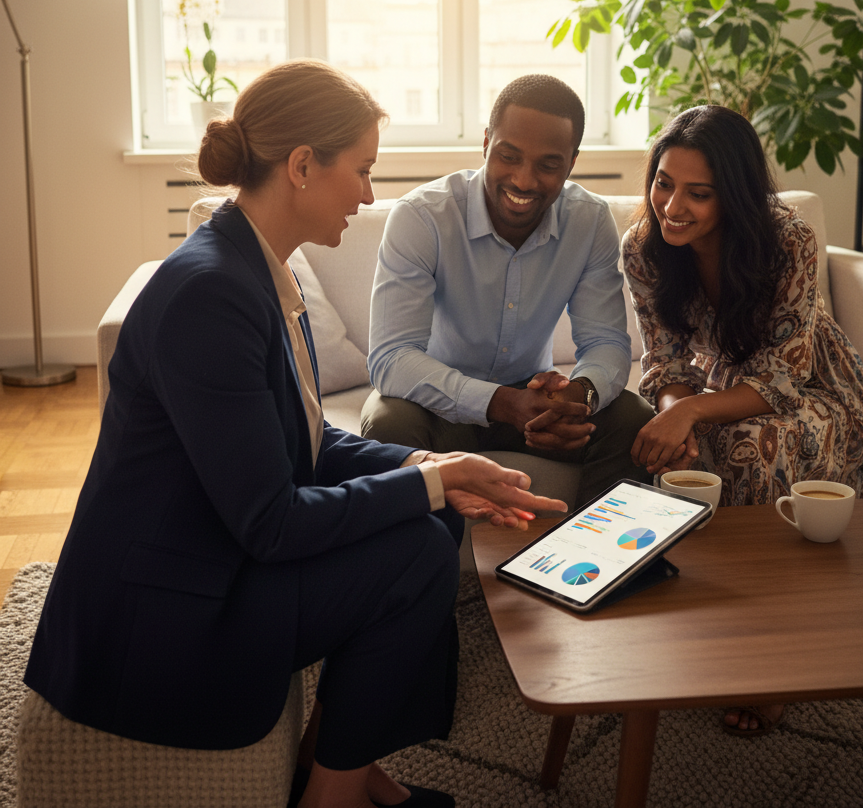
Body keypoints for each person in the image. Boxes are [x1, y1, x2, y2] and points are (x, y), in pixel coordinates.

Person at [24, 60, 566, 808]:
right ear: (303, 167)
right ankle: (333, 797)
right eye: (363, 170)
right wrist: (430, 481)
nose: (371, 195)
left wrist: (434, 466)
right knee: (412, 551)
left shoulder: (255, 271)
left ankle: (341, 758)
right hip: (162, 621)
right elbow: (271, 523)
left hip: (206, 558)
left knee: (434, 517)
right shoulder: (210, 295)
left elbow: (302, 440)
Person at [621, 105, 863, 736]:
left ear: (733, 195)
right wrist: (674, 416)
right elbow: (665, 358)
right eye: (663, 183)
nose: (672, 205)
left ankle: (774, 657)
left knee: (751, 443)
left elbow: (785, 375)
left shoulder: (787, 238)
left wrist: (689, 411)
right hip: (716, 387)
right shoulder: (644, 249)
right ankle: (711, 626)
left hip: (818, 386)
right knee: (685, 446)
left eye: (698, 193)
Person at [361, 74, 653, 510]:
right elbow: (391, 358)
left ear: (571, 163)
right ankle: (426, 571)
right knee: (389, 422)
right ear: (485, 144)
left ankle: (598, 562)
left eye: (548, 165)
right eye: (508, 156)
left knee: (632, 416)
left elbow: (606, 342)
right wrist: (501, 403)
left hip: (534, 405)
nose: (523, 179)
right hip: (435, 404)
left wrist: (581, 395)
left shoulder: (589, 222)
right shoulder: (422, 217)